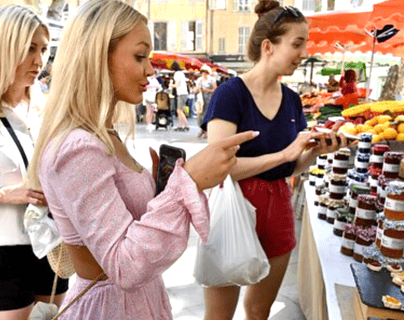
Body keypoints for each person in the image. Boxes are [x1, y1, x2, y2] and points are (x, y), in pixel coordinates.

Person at [27, 0, 258, 319]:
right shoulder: (76, 146)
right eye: (139, 57)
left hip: (136, 302)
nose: (150, 69)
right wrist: (186, 182)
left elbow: (129, 233)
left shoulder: (104, 133)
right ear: (98, 57)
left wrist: (163, 193)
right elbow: (125, 264)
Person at [201, 1, 351, 319]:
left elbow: (289, 166)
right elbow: (216, 169)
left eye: (304, 44)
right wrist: (285, 153)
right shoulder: (230, 95)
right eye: (297, 44)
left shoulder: (293, 100)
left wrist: (311, 155)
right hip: (233, 206)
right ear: (269, 46)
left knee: (259, 310)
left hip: (278, 205)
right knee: (219, 315)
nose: (304, 52)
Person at [0, 5, 68, 320]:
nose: (39, 60)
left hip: (51, 245)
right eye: (29, 48)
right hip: (5, 251)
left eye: (43, 49)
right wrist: (5, 195)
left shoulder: (44, 111)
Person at [196, 65, 217, 138]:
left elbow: (215, 88)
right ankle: (202, 129)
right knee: (199, 114)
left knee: (207, 114)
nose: (204, 75)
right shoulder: (199, 80)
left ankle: (206, 130)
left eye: (206, 73)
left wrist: (207, 90)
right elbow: (197, 89)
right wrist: (199, 89)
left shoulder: (212, 79)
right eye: (203, 73)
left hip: (209, 98)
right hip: (201, 99)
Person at [170, 61, 190, 131]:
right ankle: (180, 125)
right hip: (184, 93)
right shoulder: (182, 73)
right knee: (180, 110)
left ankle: (186, 125)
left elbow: (177, 84)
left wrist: (171, 85)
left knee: (179, 110)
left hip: (181, 93)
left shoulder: (176, 74)